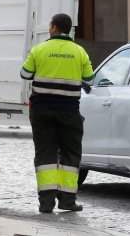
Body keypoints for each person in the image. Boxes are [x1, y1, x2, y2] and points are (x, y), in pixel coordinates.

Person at [20, 13, 94, 213]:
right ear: (68, 29)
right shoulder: (80, 52)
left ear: (53, 28)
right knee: (71, 154)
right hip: (69, 113)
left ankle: (46, 203)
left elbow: (25, 74)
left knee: (45, 154)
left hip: (42, 112)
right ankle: (67, 202)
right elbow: (89, 80)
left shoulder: (39, 49)